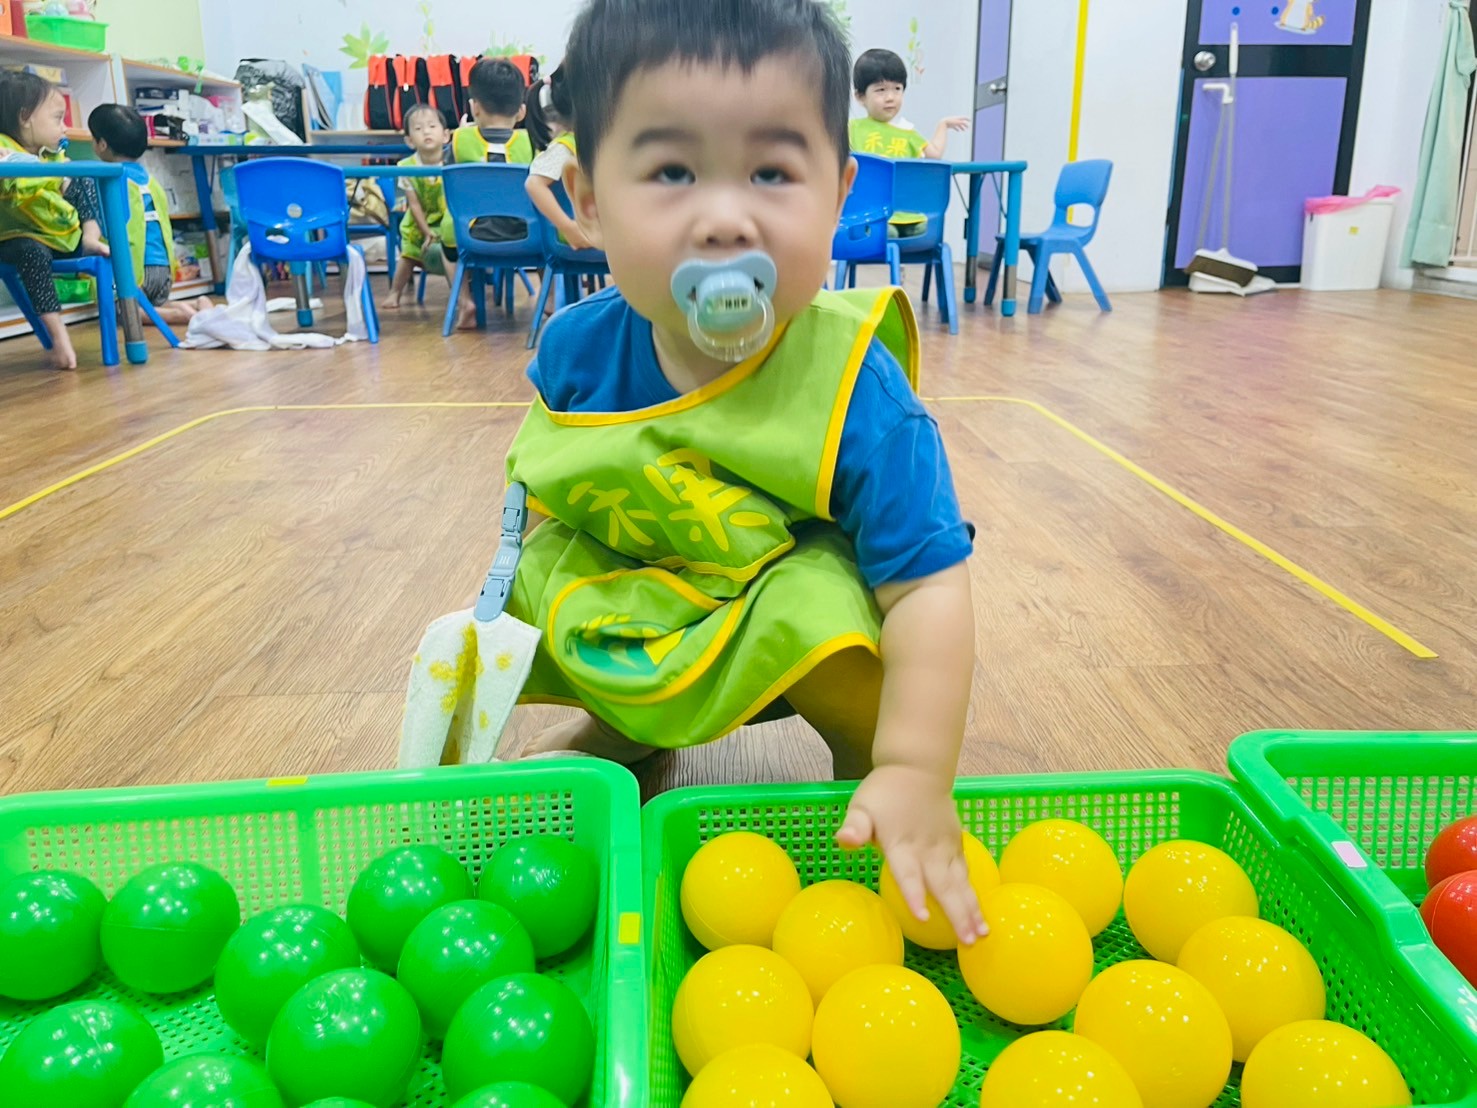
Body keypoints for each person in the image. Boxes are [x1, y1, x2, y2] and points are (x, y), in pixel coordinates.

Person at [502, 0, 984, 942]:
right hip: (655, 576)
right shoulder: (574, 351)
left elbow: (929, 583)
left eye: (771, 171)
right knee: (558, 581)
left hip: (784, 605)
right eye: (672, 172)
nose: (726, 219)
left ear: (837, 195)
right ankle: (631, 731)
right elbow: (553, 485)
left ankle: (864, 775)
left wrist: (917, 768)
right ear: (591, 201)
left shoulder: (854, 389)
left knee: (830, 622)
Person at [0, 72, 108, 370]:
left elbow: (68, 184)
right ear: (25, 118)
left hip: (63, 238)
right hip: (16, 240)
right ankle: (60, 341)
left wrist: (63, 175)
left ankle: (91, 235)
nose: (64, 127)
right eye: (58, 119)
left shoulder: (53, 155)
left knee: (82, 177)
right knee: (30, 251)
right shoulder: (5, 148)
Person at [87, 104, 212, 328]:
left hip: (137, 272)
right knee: (152, 302)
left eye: (93, 138)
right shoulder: (150, 181)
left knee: (121, 311)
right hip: (162, 272)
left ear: (102, 144)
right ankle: (197, 303)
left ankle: (181, 316)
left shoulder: (110, 181)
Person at [443, 57, 534, 328]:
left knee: (446, 241)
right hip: (527, 235)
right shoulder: (532, 143)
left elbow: (450, 186)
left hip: (474, 236)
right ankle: (549, 296)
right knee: (544, 228)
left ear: (475, 108)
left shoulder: (458, 141)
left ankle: (465, 300)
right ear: (521, 111)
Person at [383, 103, 449, 310]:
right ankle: (395, 293)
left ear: (446, 135)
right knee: (408, 254)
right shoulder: (406, 167)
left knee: (454, 249)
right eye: (418, 129)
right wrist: (427, 232)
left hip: (448, 218)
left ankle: (459, 294)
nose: (426, 132)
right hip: (419, 221)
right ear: (410, 141)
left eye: (431, 126)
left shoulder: (453, 162)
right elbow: (414, 204)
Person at [850, 47, 968, 160]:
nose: (890, 98)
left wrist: (943, 125)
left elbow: (935, 154)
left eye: (897, 89)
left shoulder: (907, 132)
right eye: (881, 90)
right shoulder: (851, 129)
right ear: (860, 97)